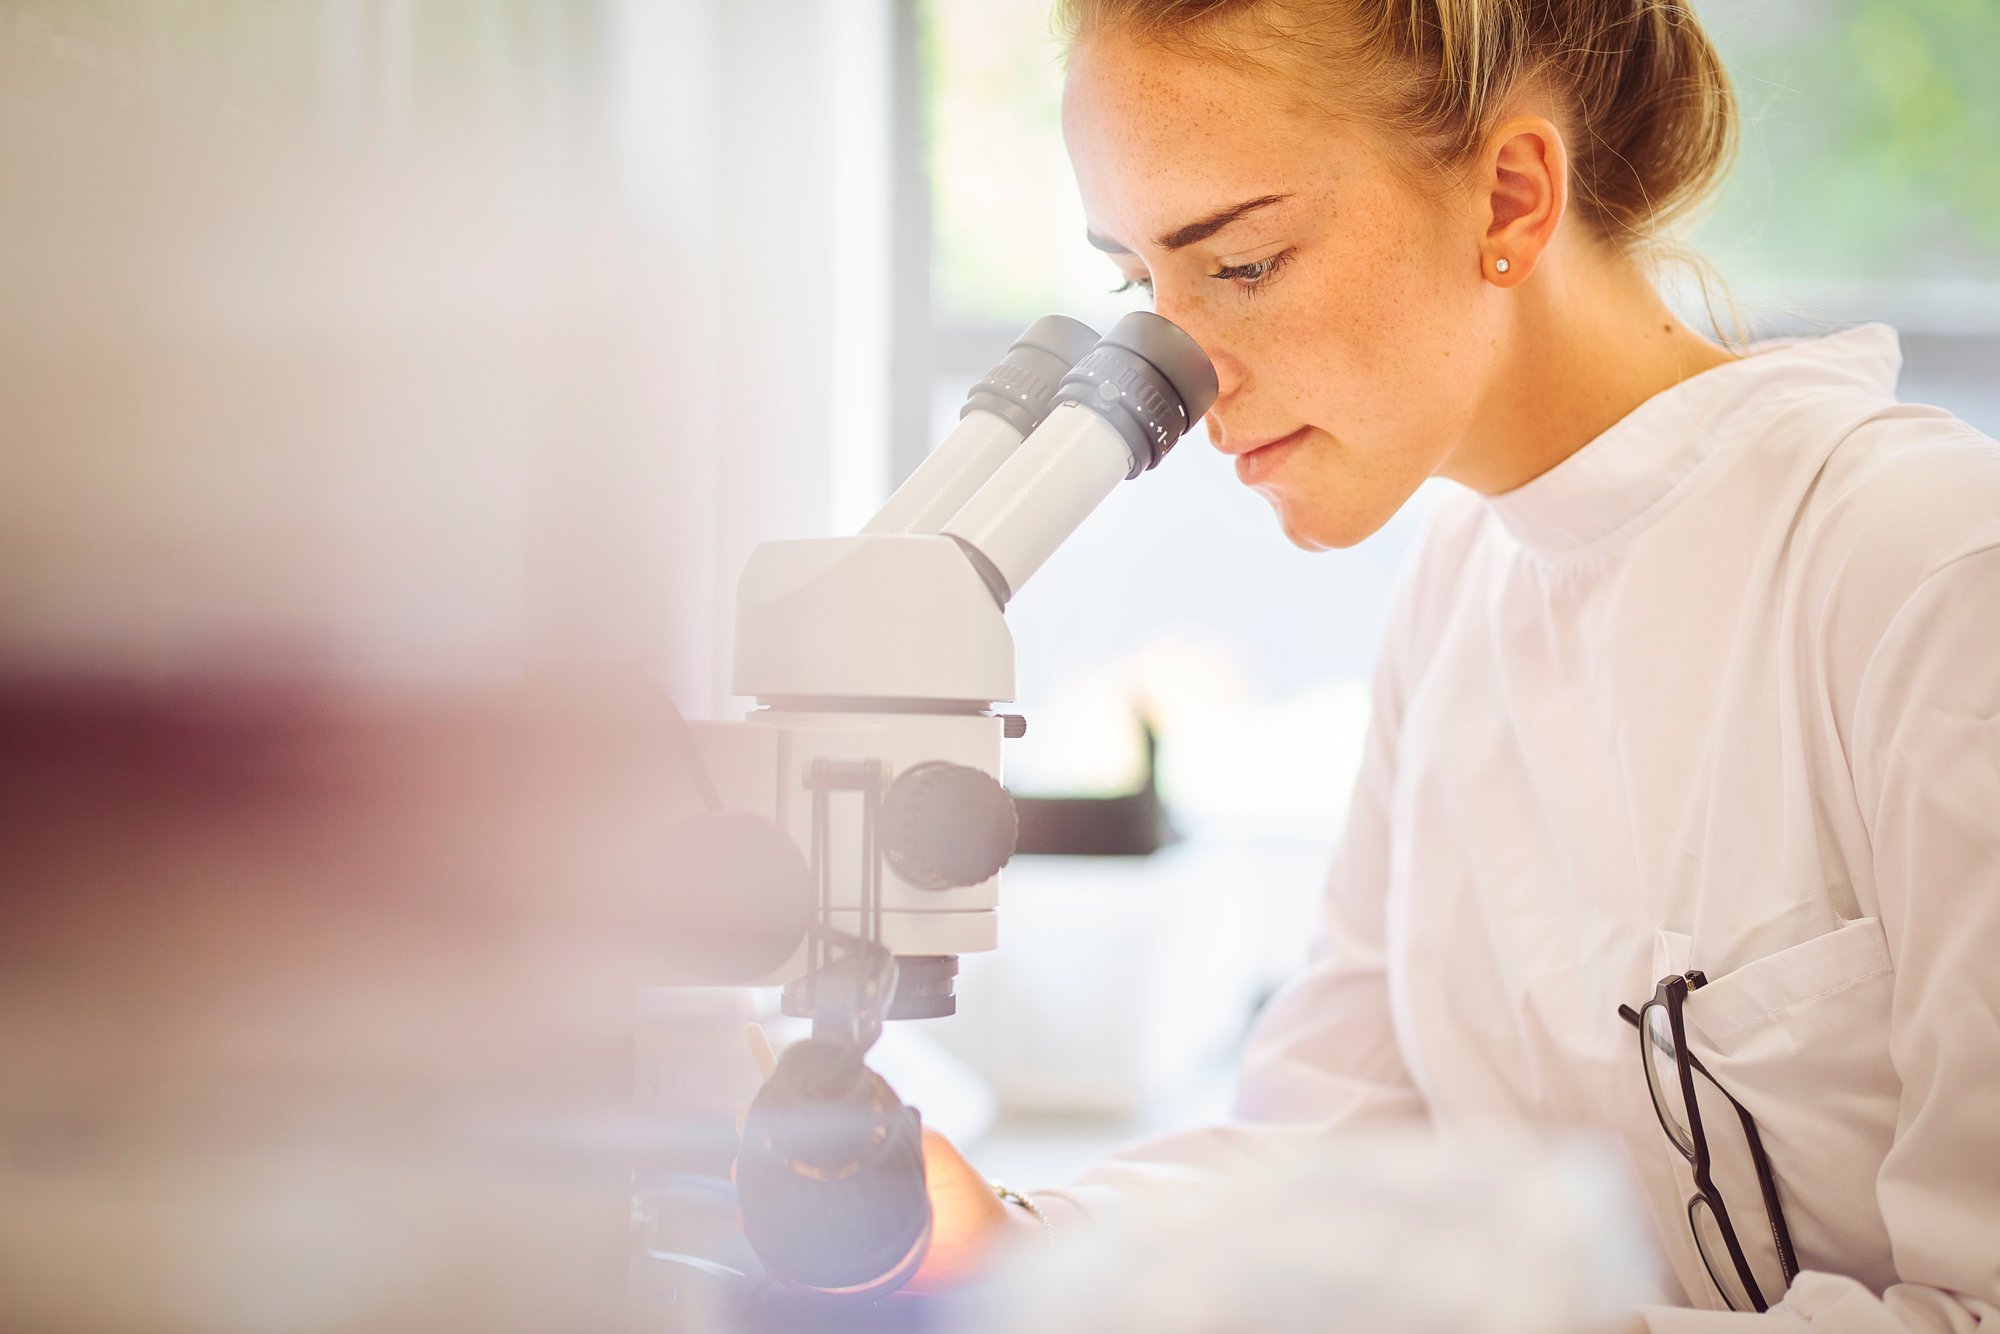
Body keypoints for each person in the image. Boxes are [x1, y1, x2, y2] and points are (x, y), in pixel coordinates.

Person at [908, 1, 2000, 1327]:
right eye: (1145, 287)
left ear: (1511, 198)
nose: (1188, 383)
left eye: (1240, 263)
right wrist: (1010, 1242)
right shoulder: (1458, 586)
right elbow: (1341, 1149)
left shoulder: (1922, 570)